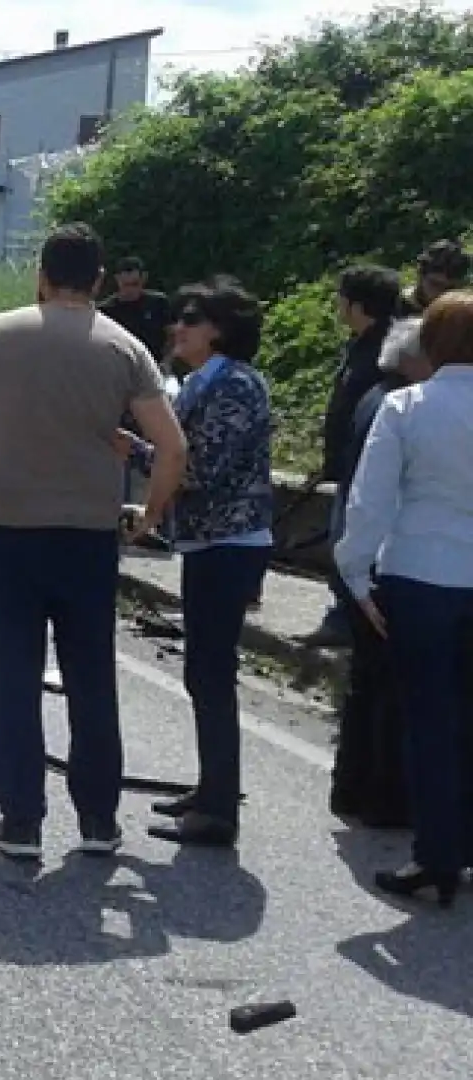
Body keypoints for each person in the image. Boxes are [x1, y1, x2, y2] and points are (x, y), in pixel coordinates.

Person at [0, 223, 186, 860]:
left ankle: (21, 820)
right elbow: (173, 446)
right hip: (87, 535)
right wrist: (150, 515)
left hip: (5, 530)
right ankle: (99, 821)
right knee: (91, 677)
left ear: (41, 276)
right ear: (100, 281)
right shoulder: (126, 347)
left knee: (14, 677)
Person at [115, 277, 274, 847]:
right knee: (202, 670)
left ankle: (219, 809)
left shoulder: (236, 386)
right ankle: (211, 791)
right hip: (209, 542)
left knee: (211, 671)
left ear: (221, 331)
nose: (176, 328)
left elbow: (200, 468)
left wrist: (132, 450)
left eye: (191, 320)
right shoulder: (199, 383)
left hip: (229, 544)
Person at [334, 290, 473, 907]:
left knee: (431, 721)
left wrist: (356, 574)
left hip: (419, 573)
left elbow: (370, 502)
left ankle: (438, 855)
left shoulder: (406, 406)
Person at [329, 317, 433, 828]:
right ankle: (384, 797)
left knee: (367, 684)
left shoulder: (377, 395)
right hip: (384, 561)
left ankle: (353, 788)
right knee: (387, 688)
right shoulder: (397, 407)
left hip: (365, 558)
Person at [301, 264, 403, 649]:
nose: (337, 303)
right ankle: (343, 616)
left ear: (357, 304)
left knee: (352, 543)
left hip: (366, 464)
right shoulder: (360, 345)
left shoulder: (385, 353)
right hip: (348, 463)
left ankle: (349, 621)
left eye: (342, 296)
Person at [98, 256, 174, 363]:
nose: (130, 290)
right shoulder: (106, 310)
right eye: (125, 285)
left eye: (134, 284)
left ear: (144, 278)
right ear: (117, 280)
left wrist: (167, 362)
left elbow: (171, 337)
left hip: (155, 365)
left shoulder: (158, 303)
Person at [397, 238, 469, 317]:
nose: (441, 293)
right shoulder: (395, 306)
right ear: (421, 276)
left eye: (449, 288)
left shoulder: (462, 314)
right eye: (435, 285)